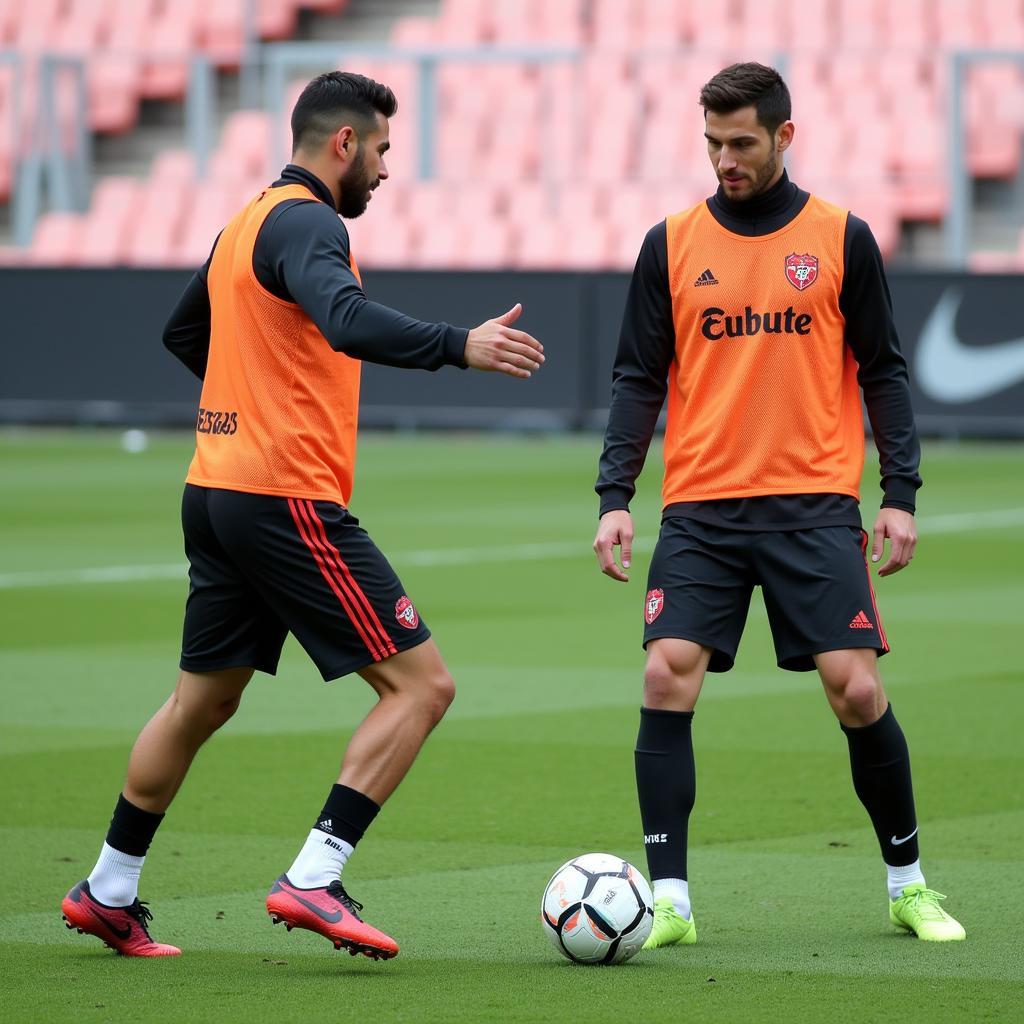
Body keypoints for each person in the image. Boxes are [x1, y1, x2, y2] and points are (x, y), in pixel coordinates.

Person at [61, 71, 544, 960]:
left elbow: (183, 335)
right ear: (344, 144)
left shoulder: (244, 221)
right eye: (385, 152)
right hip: (284, 494)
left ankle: (108, 888)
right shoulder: (311, 222)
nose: (387, 172)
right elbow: (347, 319)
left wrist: (246, 400)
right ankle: (314, 878)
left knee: (200, 701)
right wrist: (458, 346)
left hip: (214, 488)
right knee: (423, 687)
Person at [593, 62, 964, 948]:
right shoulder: (671, 244)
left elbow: (884, 370)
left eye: (742, 143)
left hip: (812, 506)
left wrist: (899, 494)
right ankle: (671, 902)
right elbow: (639, 377)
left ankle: (908, 884)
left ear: (784, 137)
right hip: (702, 509)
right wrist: (615, 495)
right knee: (663, 673)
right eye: (713, 142)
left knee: (857, 688)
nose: (725, 158)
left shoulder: (841, 236)